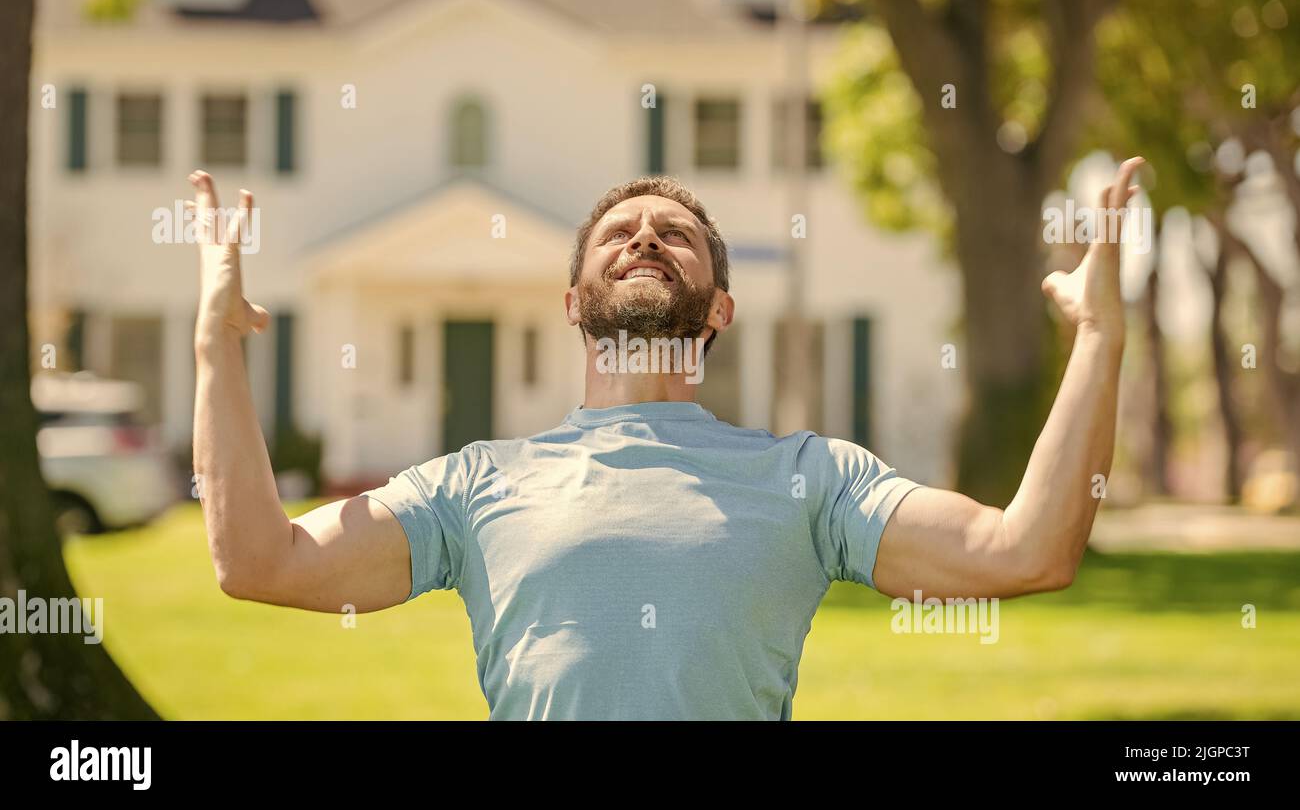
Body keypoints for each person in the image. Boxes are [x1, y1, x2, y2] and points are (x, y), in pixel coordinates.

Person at [188, 157, 1144, 719]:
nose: (644, 237)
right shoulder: (473, 484)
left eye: (674, 233)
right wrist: (213, 347)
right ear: (573, 302)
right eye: (621, 232)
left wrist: (1099, 340)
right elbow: (260, 561)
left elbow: (1028, 550)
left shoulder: (810, 479)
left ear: (719, 304)